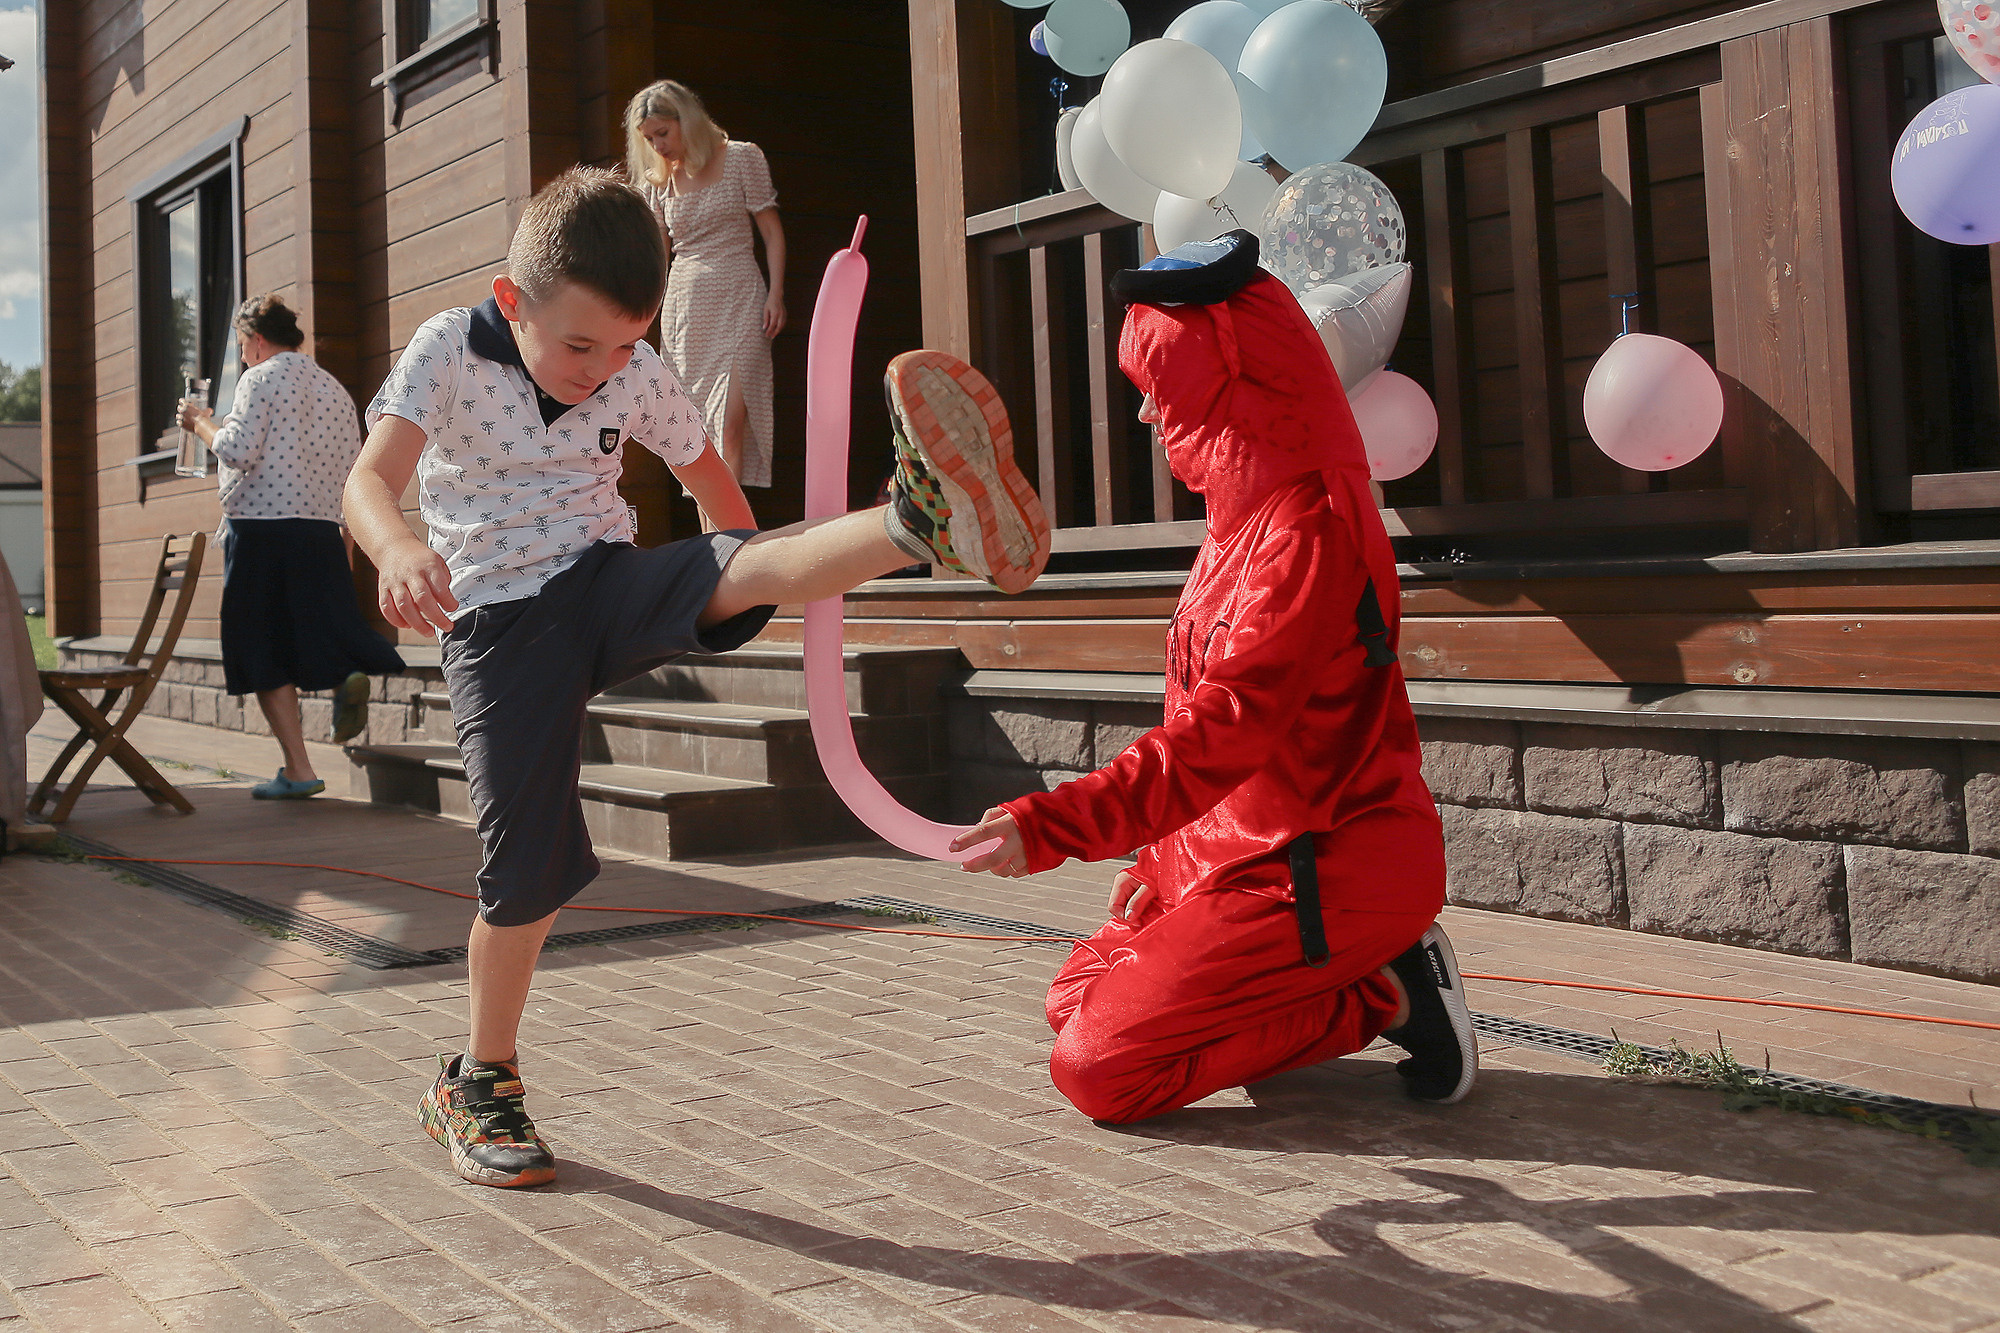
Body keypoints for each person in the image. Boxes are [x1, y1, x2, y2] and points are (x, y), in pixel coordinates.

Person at [346, 166, 1048, 1188]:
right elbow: (369, 479)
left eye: (626, 345)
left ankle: (918, 519)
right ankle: (478, 1077)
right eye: (581, 345)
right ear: (513, 301)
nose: (604, 370)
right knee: (524, 872)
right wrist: (396, 549)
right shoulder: (449, 347)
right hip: (496, 625)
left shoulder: (632, 370)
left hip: (601, 578)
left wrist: (738, 575)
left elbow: (709, 486)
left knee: (745, 559)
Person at [948, 233, 1476, 1125]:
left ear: (1224, 379)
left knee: (1101, 1071)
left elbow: (1225, 728)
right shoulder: (1243, 521)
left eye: (1160, 391)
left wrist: (1056, 824)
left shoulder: (1307, 529)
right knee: (1074, 999)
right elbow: (1206, 715)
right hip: (1246, 859)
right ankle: (1326, 981)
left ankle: (1384, 991)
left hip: (1328, 861)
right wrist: (1163, 861)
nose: (1149, 418)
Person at [180, 295, 406, 799]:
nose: (242, 357)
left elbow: (237, 449)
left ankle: (300, 769)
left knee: (262, 646)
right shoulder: (333, 389)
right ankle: (347, 671)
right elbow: (354, 473)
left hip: (261, 530)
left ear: (258, 340)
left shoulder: (258, 379)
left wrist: (198, 422)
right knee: (317, 626)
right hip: (320, 531)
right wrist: (347, 543)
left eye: (242, 346)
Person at [626, 80, 785, 490]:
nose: (657, 145)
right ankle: (713, 545)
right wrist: (640, 318)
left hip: (741, 296)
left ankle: (728, 541)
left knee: (730, 423)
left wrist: (777, 294)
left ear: (688, 120)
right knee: (699, 438)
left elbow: (771, 232)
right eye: (649, 138)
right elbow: (658, 260)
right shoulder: (658, 184)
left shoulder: (741, 158)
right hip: (686, 313)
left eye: (663, 133)